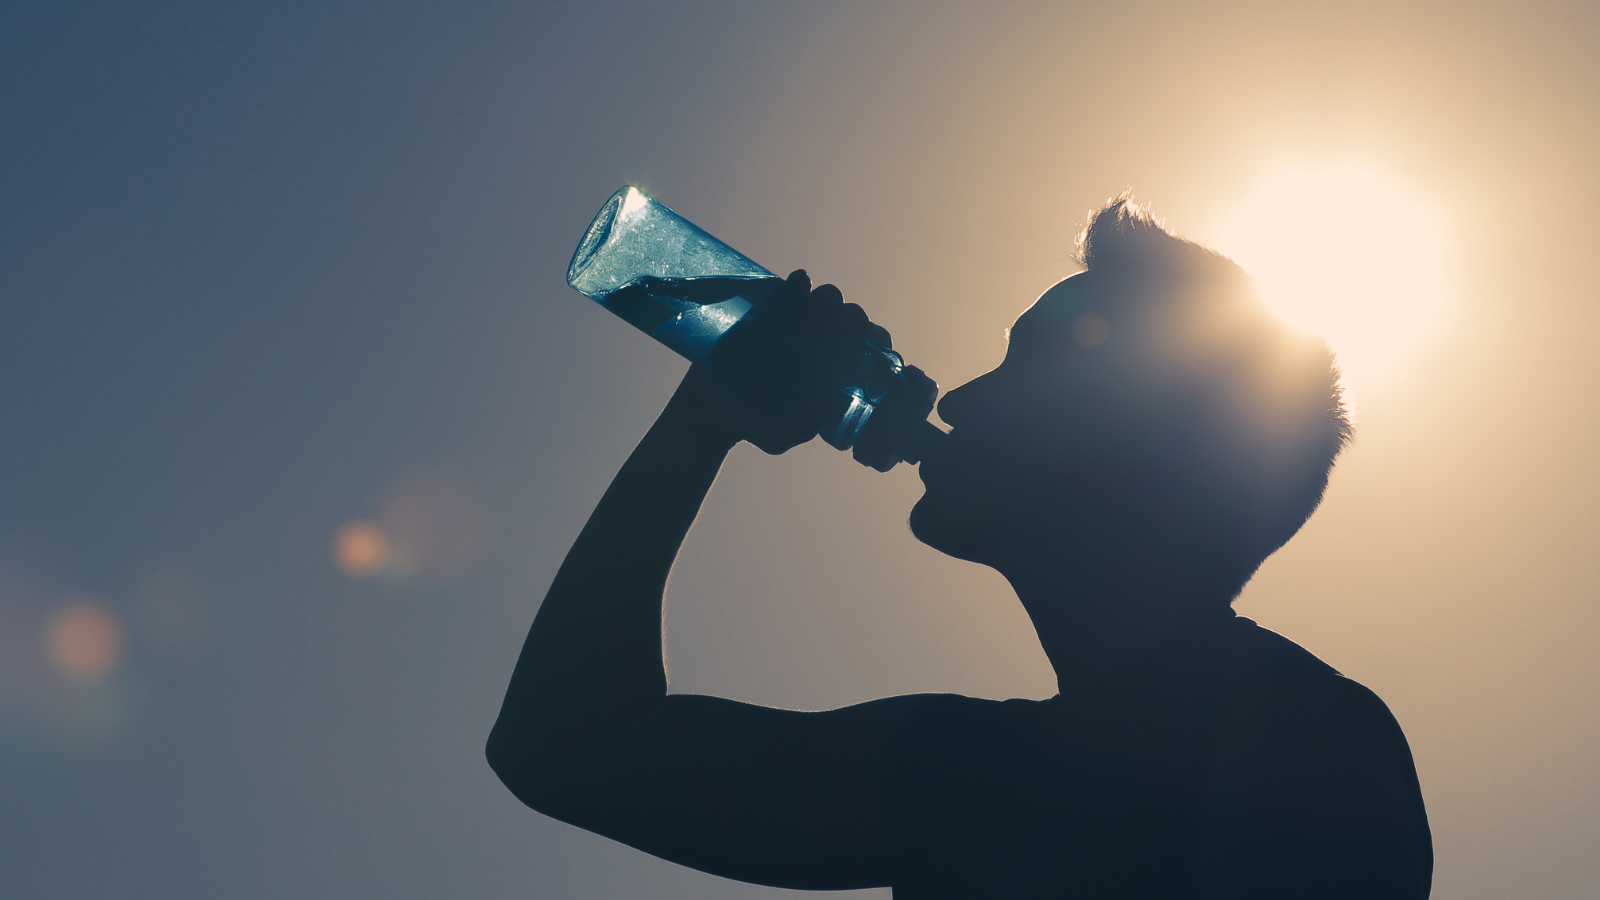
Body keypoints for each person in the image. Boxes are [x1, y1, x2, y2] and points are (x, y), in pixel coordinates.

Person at [486, 196, 1433, 898]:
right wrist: (704, 420)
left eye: (1028, 366)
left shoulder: (1303, 745)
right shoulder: (966, 770)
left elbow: (568, 747)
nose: (960, 398)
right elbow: (563, 748)